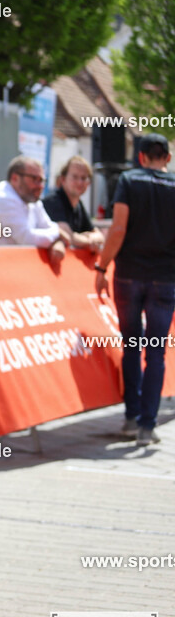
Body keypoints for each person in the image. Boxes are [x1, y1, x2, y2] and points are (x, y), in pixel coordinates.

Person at [94, 134, 175, 446]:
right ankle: (147, 426)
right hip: (165, 280)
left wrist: (102, 267)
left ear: (140, 157)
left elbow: (117, 229)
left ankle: (130, 417)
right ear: (166, 158)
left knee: (131, 346)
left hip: (129, 277)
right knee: (156, 351)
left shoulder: (129, 181)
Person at [0, 156, 72, 266]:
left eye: (42, 180)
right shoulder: (3, 198)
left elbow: (46, 226)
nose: (40, 186)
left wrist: (57, 240)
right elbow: (26, 238)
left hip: (4, 267)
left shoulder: (32, 199)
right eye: (35, 179)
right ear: (15, 178)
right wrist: (57, 234)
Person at [42, 156, 105, 251]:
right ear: (63, 179)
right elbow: (68, 237)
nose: (80, 182)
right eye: (75, 177)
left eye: (84, 178)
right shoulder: (53, 201)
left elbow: (99, 236)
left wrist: (85, 238)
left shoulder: (79, 205)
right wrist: (89, 240)